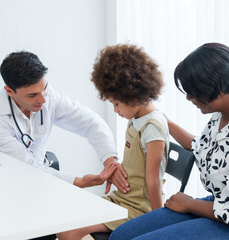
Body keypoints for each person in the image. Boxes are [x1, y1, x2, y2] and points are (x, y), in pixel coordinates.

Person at [109, 43, 229, 240]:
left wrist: (190, 204)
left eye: (193, 92)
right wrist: (161, 120)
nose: (189, 98)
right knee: (121, 236)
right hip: (225, 205)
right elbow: (202, 147)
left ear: (218, 90)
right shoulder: (226, 114)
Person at [56, 44, 170, 240]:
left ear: (132, 94)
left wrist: (157, 224)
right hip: (122, 200)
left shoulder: (152, 129)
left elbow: (153, 181)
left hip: (139, 210)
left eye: (116, 104)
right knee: (64, 219)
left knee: (70, 231)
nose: (116, 111)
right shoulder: (135, 119)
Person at [0, 51, 130, 191]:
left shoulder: (48, 96)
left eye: (44, 88)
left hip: (35, 180)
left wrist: (110, 162)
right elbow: (26, 167)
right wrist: (79, 182)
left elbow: (90, 122)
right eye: (32, 95)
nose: (42, 99)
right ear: (9, 91)